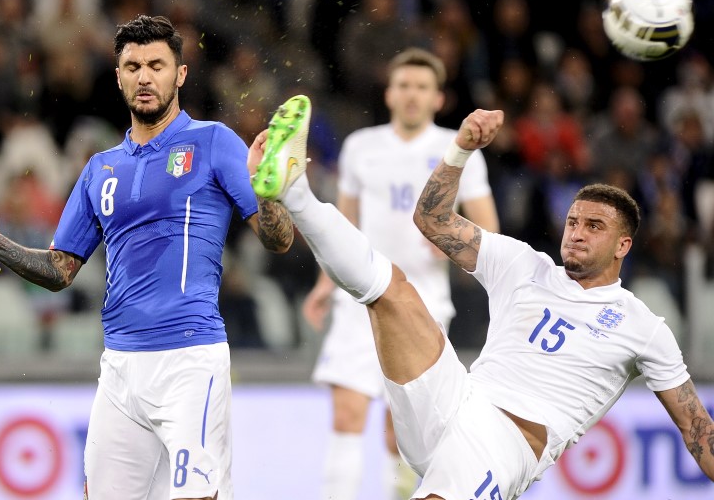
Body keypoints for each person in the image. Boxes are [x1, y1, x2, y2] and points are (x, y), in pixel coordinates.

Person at [250, 96, 714, 500]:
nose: (576, 234)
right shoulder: (524, 264)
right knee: (392, 289)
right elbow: (432, 221)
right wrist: (461, 149)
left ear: (622, 245)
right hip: (456, 397)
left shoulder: (643, 326)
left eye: (594, 227)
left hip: (505, 442)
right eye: (573, 222)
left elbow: (697, 430)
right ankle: (297, 192)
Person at [0, 15, 294, 500]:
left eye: (157, 64)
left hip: (189, 359)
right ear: (118, 76)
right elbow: (59, 270)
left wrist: (269, 188)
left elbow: (278, 240)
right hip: (121, 367)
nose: (144, 76)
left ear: (181, 74)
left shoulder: (214, 142)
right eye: (132, 66)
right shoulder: (99, 169)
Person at [302, 47, 499, 500]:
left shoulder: (458, 149)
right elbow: (344, 226)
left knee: (403, 433)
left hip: (425, 300)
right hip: (359, 298)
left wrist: (451, 243)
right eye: (404, 85)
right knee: (347, 413)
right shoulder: (361, 147)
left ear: (438, 98)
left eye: (422, 87)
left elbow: (489, 231)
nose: (412, 95)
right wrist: (323, 285)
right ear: (389, 93)